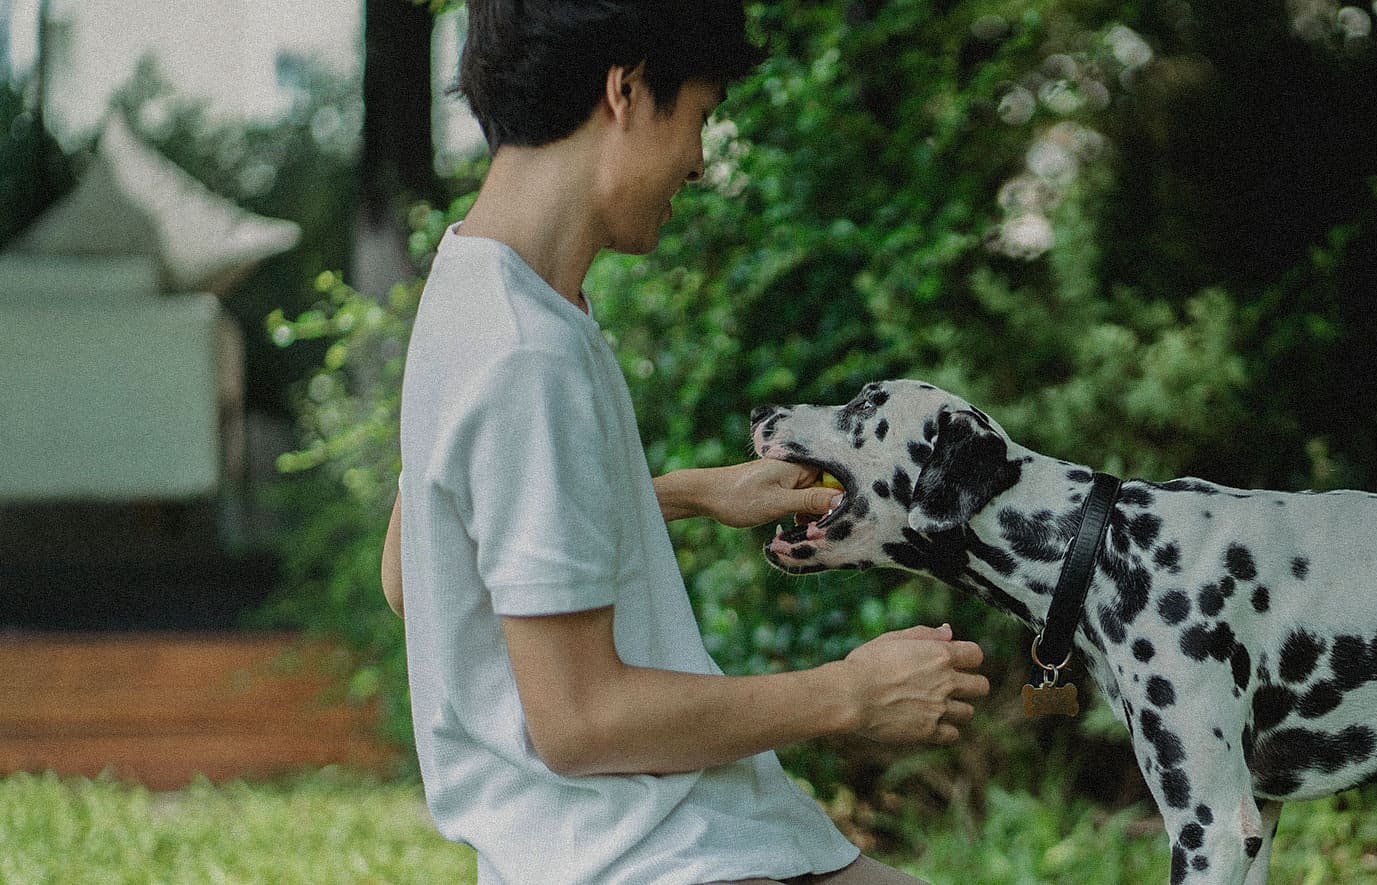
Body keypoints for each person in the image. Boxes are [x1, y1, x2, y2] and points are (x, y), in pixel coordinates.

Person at [377, 3, 988, 882]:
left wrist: (690, 491)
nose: (699, 162)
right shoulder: (528, 354)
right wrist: (851, 692)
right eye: (698, 118)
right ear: (626, 91)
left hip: (627, 843)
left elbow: (420, 571)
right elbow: (581, 721)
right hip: (653, 853)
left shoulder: (472, 284)